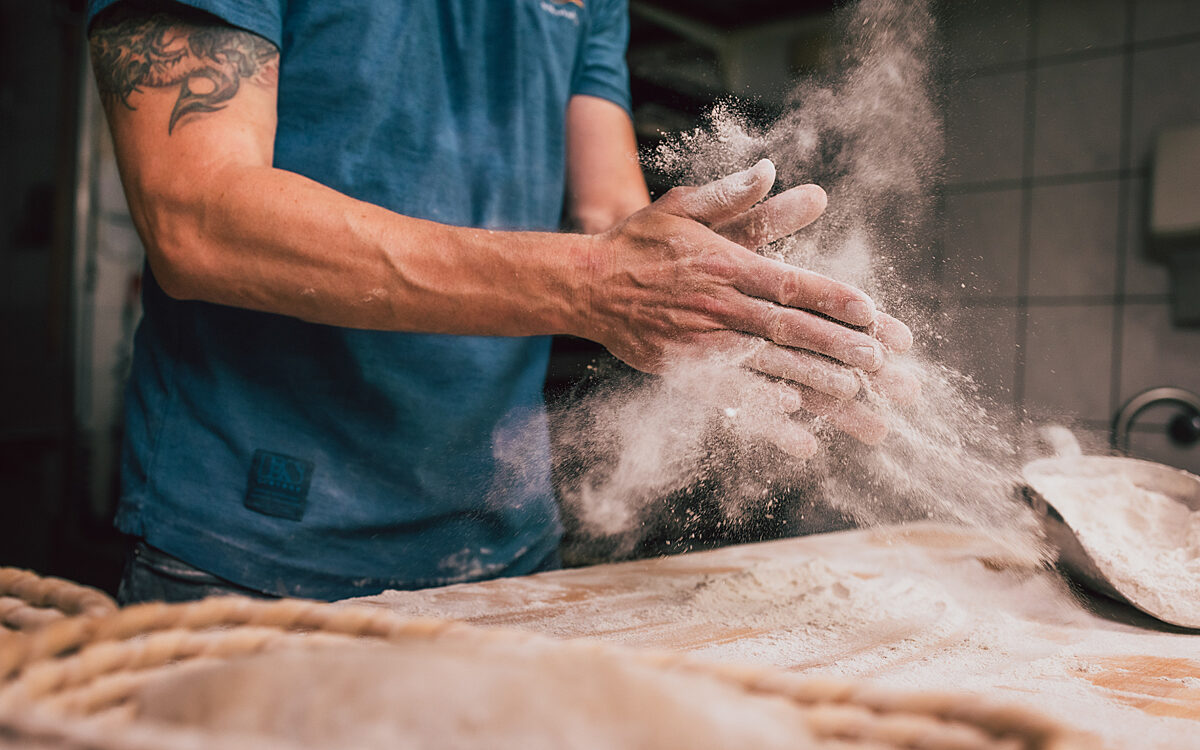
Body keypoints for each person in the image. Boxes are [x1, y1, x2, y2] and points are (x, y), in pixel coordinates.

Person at [86, 0, 912, 603]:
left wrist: (735, 310)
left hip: (505, 542)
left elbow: (611, 223)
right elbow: (195, 217)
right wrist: (600, 282)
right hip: (250, 549)